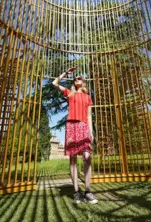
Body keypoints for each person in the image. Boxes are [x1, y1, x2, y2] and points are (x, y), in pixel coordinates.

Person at [52, 67, 98, 204]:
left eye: (80, 78)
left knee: (87, 157)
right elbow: (54, 83)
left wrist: (91, 132)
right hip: (71, 126)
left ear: (83, 82)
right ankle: (76, 192)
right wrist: (66, 73)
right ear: (74, 82)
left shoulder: (88, 97)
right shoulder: (70, 93)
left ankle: (88, 191)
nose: (78, 79)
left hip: (83, 126)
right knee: (72, 159)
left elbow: (89, 116)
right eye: (76, 78)